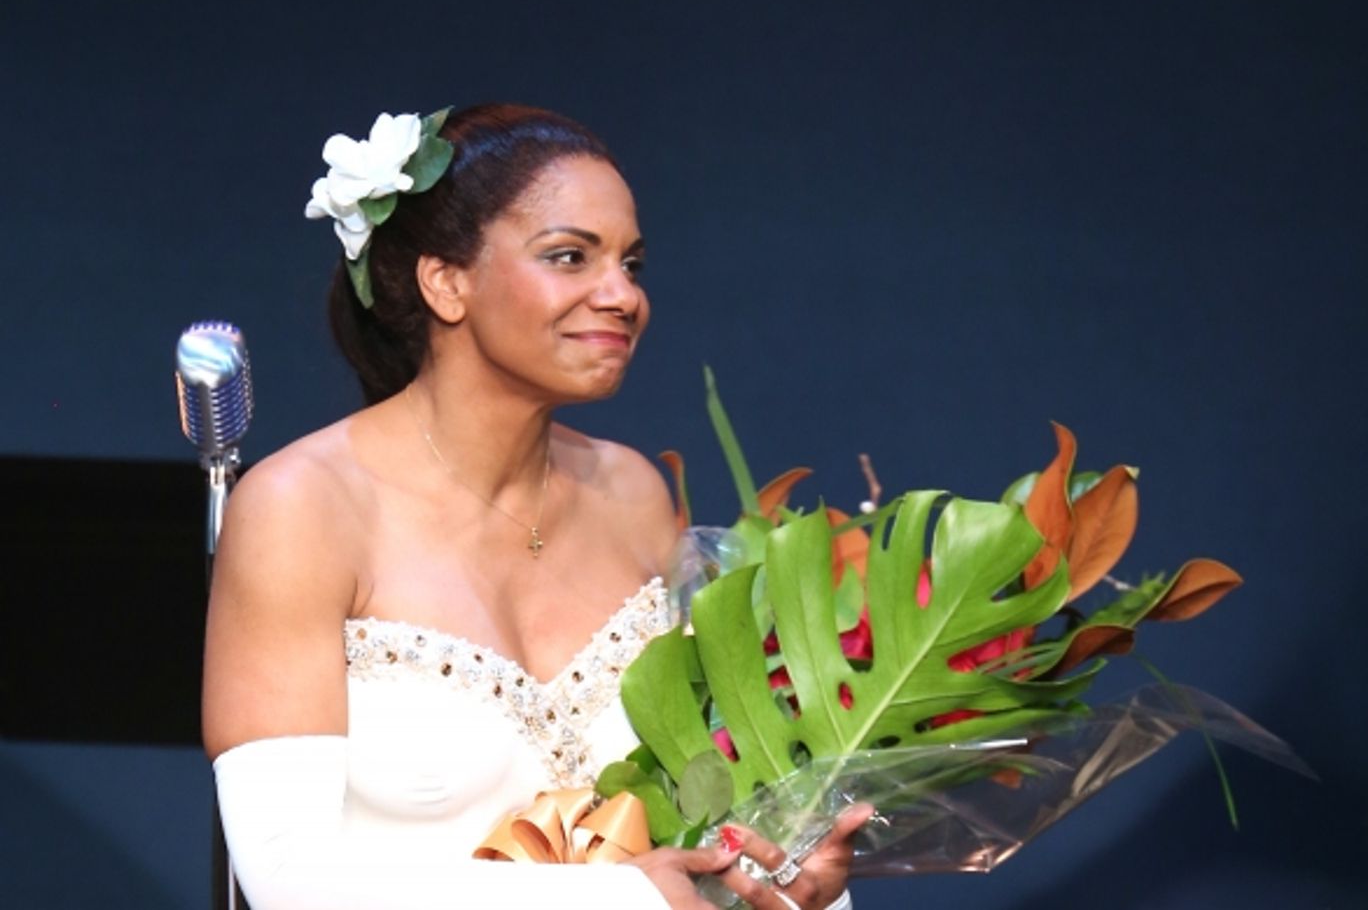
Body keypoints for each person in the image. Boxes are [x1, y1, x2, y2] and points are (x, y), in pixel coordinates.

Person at [203, 103, 871, 910]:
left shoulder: (629, 494)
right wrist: (628, 903)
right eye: (570, 257)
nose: (622, 295)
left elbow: (709, 803)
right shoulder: (301, 506)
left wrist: (790, 885)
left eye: (633, 264)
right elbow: (284, 877)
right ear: (446, 281)